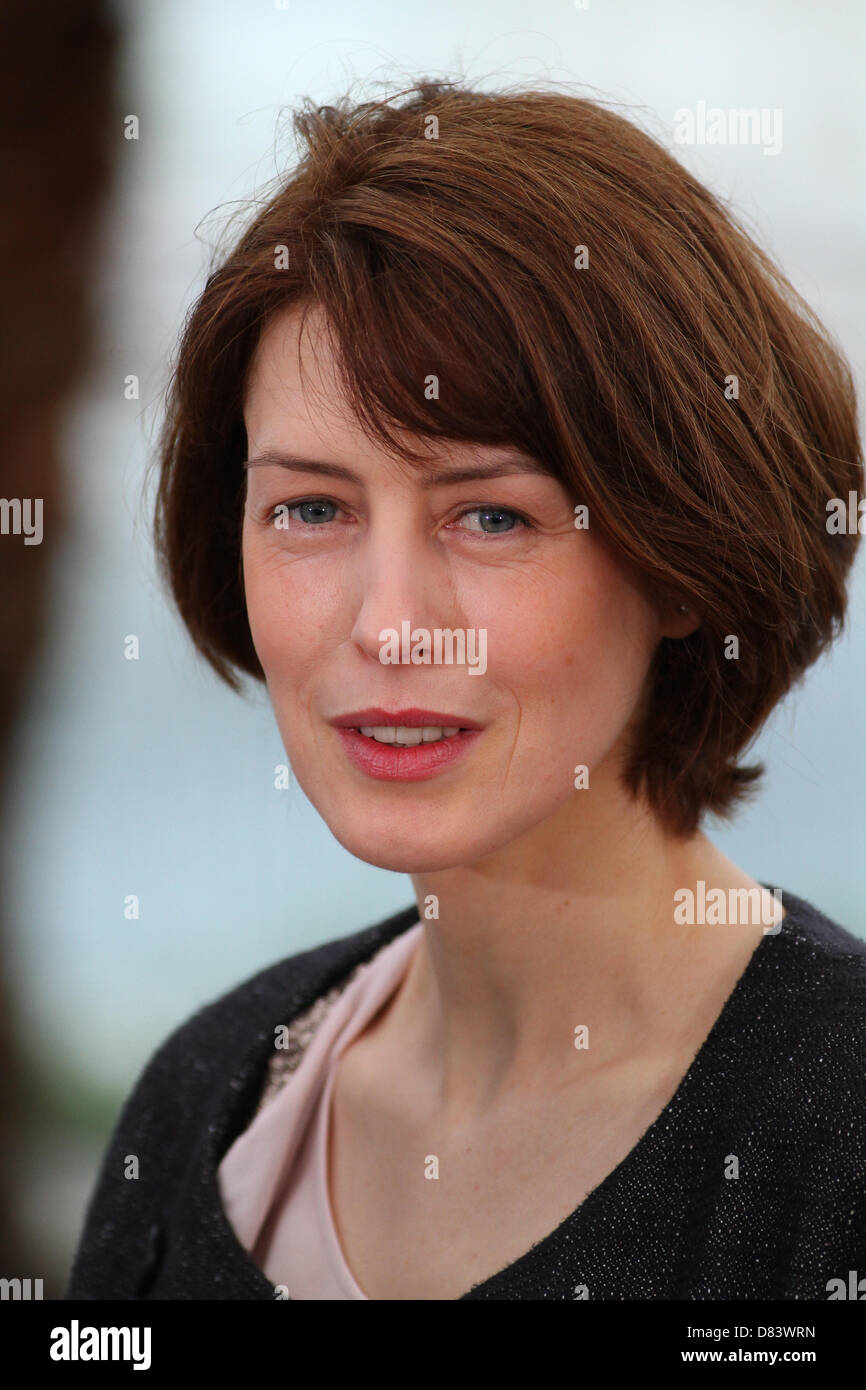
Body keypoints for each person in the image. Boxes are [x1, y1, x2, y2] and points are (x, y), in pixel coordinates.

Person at [67, 79, 866, 1301]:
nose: (388, 626)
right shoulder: (206, 1094)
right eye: (311, 509)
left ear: (682, 556)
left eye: (490, 515)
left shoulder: (835, 1145)